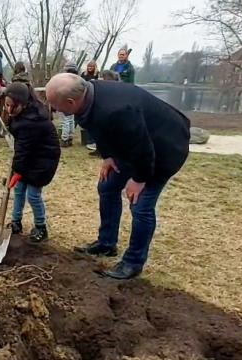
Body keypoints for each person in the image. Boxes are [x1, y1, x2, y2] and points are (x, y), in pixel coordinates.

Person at [45, 73, 190, 280]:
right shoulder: (90, 95)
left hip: (164, 147)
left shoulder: (117, 110)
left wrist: (139, 179)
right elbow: (100, 129)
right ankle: (106, 244)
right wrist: (108, 156)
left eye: (55, 105)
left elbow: (143, 147)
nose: (54, 110)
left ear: (71, 102)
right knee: (107, 186)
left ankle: (133, 262)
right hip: (134, 145)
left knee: (140, 205)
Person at [3, 82, 61, 243]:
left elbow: (23, 149)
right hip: (30, 158)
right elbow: (21, 149)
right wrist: (18, 171)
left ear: (22, 103)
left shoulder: (32, 121)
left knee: (33, 195)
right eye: (6, 105)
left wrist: (17, 171)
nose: (8, 109)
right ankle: (16, 222)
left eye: (11, 106)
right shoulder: (22, 115)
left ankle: (41, 227)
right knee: (19, 191)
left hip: (43, 161)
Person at [59, 62, 79, 147]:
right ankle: (70, 137)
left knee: (65, 120)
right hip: (74, 100)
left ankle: (64, 139)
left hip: (66, 99)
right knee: (71, 119)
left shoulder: (65, 79)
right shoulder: (77, 79)